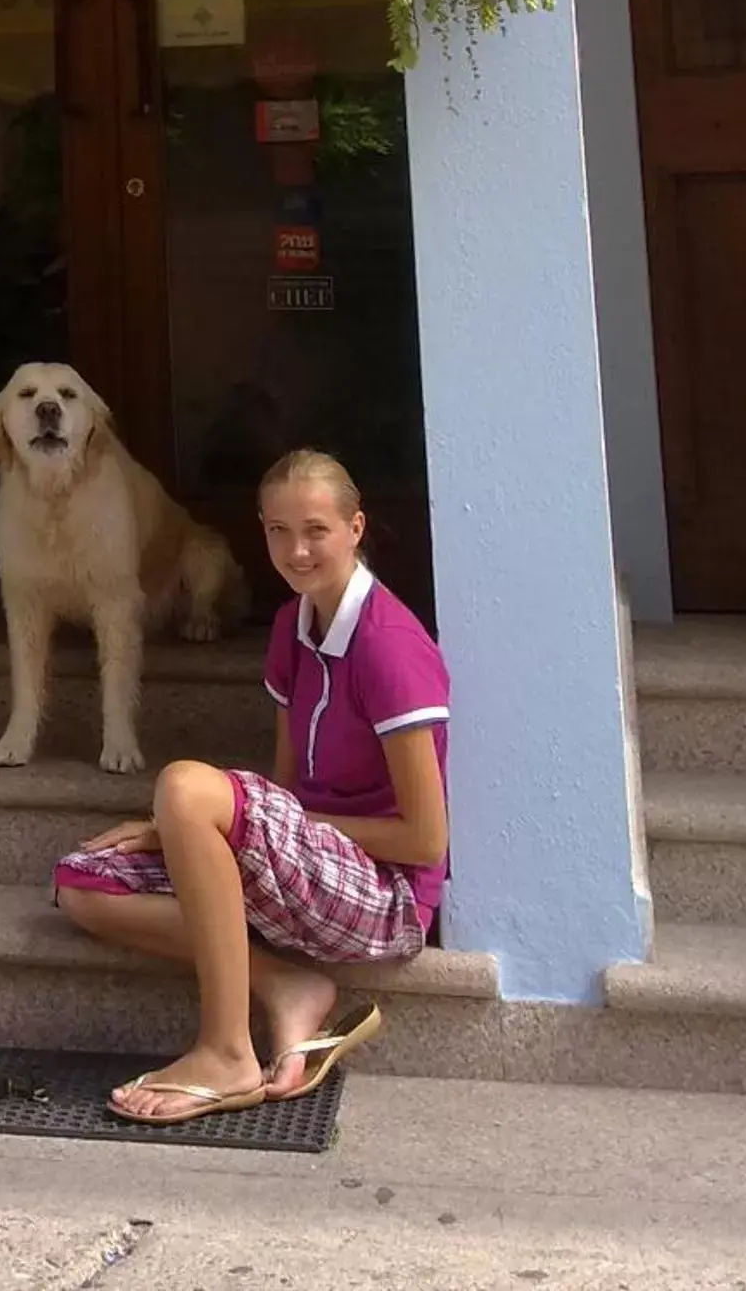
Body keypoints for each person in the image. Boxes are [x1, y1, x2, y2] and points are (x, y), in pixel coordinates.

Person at [51, 449, 450, 1126]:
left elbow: (425, 837)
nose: (296, 550)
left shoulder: (388, 646)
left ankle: (227, 1050)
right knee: (84, 883)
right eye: (277, 530)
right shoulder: (291, 628)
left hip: (386, 896)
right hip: (311, 869)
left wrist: (252, 822)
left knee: (184, 785)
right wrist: (194, 834)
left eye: (317, 530)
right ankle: (286, 984)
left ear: (356, 528)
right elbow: (285, 792)